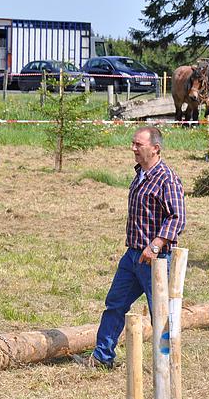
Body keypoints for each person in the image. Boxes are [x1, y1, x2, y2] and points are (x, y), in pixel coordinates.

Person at [74, 126, 186, 369]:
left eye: (139, 145)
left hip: (156, 259)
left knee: (161, 313)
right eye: (133, 144)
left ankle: (166, 363)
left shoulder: (167, 178)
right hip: (133, 256)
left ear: (155, 148)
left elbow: (177, 217)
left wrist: (155, 246)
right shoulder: (141, 174)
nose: (133, 148)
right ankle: (103, 357)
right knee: (115, 304)